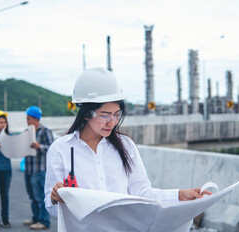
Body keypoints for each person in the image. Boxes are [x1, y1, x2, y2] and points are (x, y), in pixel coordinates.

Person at [44, 67, 212, 223]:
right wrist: (55, 198)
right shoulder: (61, 149)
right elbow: (51, 208)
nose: (112, 122)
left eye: (117, 115)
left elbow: (142, 193)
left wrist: (179, 195)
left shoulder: (126, 145)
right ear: (86, 113)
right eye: (105, 115)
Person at [23, 106, 54, 230]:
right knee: (32, 196)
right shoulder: (27, 131)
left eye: (29, 118)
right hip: (29, 169)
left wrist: (39, 146)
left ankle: (44, 221)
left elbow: (52, 149)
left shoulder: (45, 131)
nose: (27, 121)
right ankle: (35, 218)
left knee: (40, 197)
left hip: (39, 170)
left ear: (36, 119)